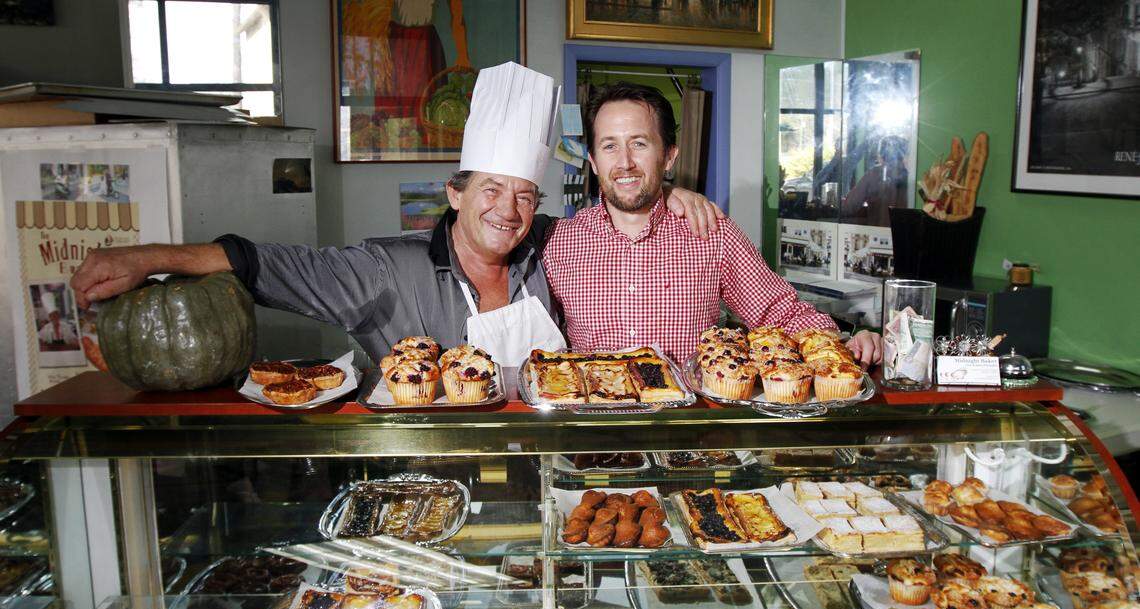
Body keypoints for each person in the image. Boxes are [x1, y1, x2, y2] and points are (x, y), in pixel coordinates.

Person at [69, 64, 721, 367]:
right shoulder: (390, 268)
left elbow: (625, 218)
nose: (508, 209)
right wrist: (149, 256)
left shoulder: (548, 247)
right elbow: (269, 263)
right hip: (431, 488)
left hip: (542, 476)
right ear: (455, 193)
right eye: (491, 189)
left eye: (525, 193)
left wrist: (675, 195)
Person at [541, 82, 883, 366]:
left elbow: (778, 312)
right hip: (594, 436)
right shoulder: (557, 242)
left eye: (640, 144)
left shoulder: (710, 233)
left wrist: (846, 342)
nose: (625, 162)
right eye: (609, 146)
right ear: (594, 162)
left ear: (669, 156)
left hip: (687, 436)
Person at [841, 135, 909, 228]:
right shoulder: (909, 177)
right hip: (905, 237)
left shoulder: (874, 175)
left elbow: (850, 206)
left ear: (880, 156)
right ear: (903, 156)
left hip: (877, 235)